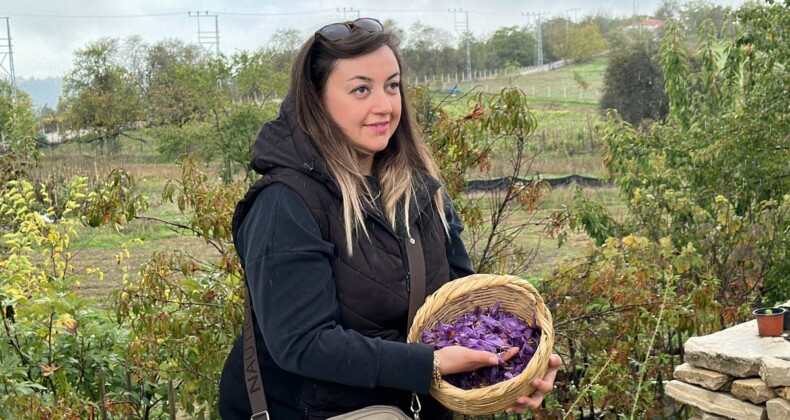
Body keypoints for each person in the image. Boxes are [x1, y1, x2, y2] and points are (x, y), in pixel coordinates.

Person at [218, 17, 562, 419]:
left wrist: (511, 367)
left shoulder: (421, 191)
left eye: (392, 85)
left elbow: (461, 308)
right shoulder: (286, 204)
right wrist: (427, 364)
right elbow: (303, 343)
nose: (384, 105)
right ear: (316, 99)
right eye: (361, 89)